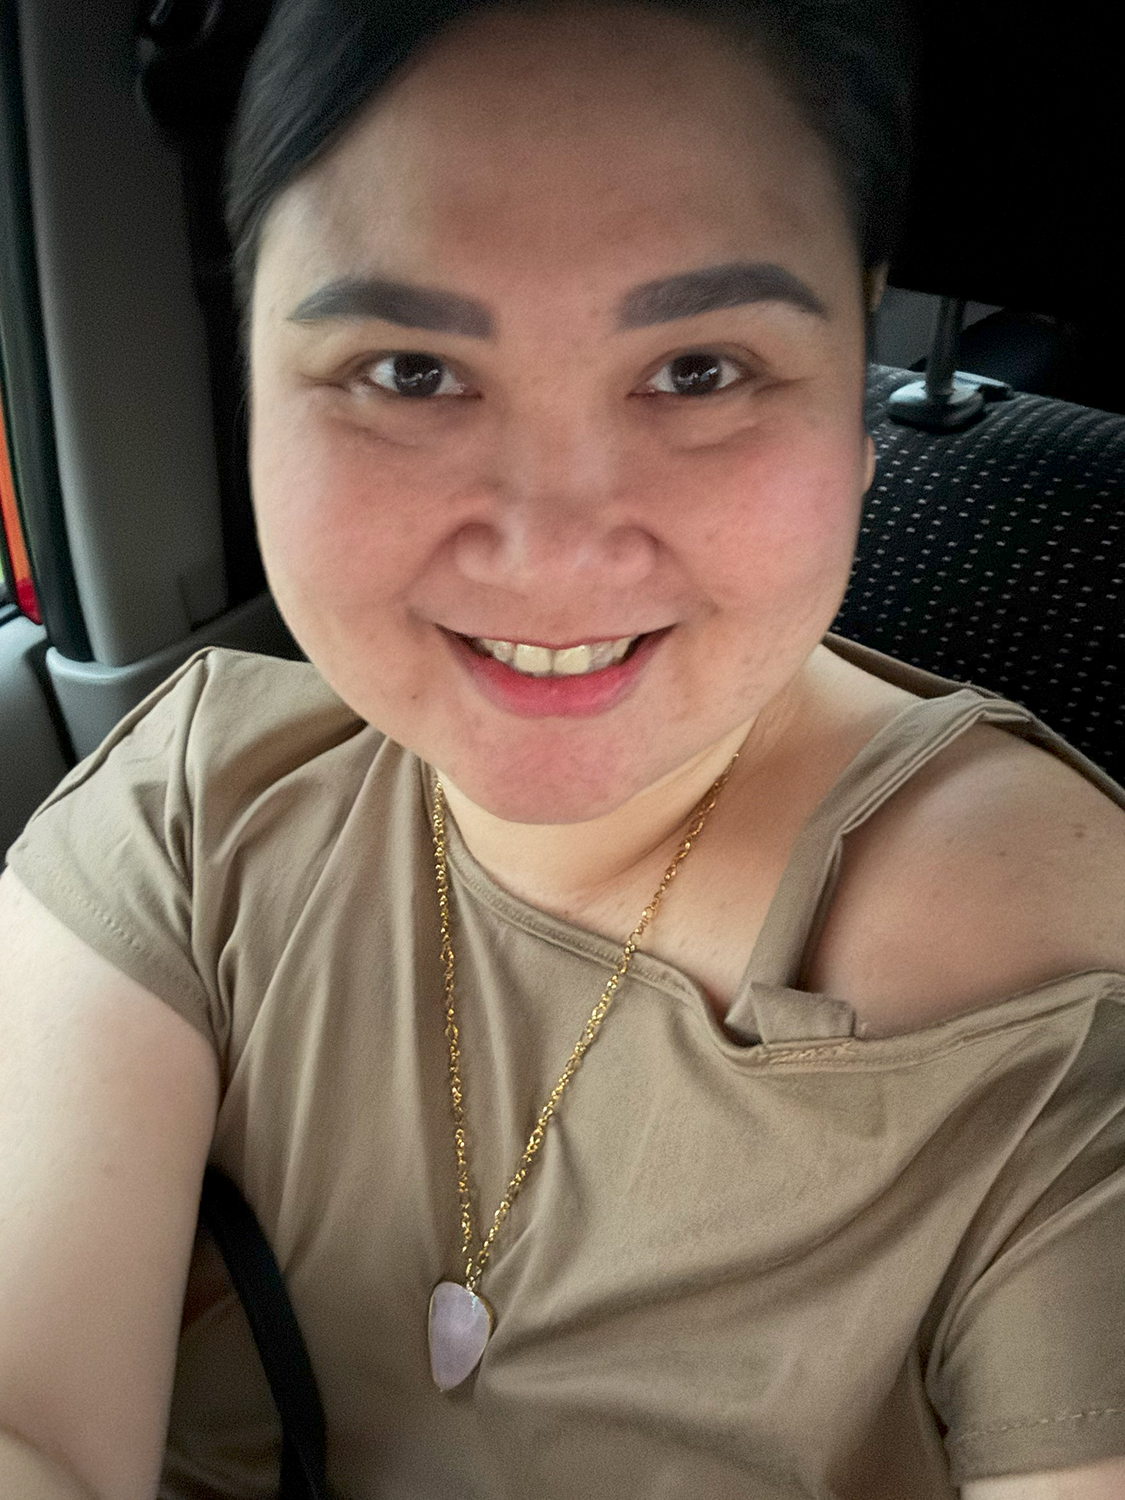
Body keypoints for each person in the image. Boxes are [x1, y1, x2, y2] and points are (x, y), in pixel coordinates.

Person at [2, 0, 1124, 1495]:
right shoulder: (194, 804)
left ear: (857, 374)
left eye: (699, 369)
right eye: (410, 371)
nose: (549, 549)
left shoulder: (1063, 987)